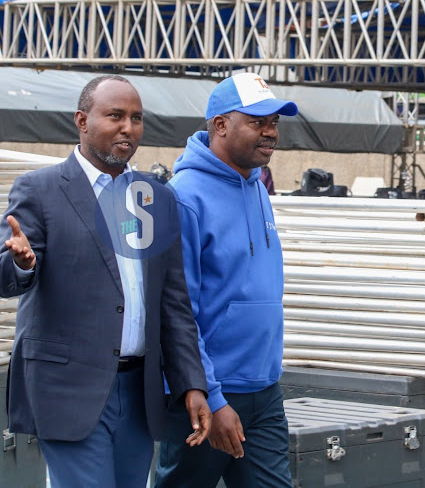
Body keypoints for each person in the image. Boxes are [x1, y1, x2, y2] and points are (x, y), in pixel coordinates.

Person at [0, 75, 212, 488]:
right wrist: (22, 262)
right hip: (69, 388)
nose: (128, 127)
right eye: (114, 116)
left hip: (138, 392)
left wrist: (192, 384)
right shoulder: (40, 190)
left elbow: (174, 304)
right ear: (82, 120)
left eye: (136, 118)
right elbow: (7, 280)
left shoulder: (155, 199)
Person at [155, 72, 297, 487]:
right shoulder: (185, 197)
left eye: (274, 122)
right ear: (220, 125)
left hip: (265, 388)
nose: (270, 132)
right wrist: (213, 399)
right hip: (205, 396)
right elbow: (178, 312)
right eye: (257, 122)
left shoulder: (257, 188)